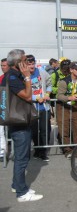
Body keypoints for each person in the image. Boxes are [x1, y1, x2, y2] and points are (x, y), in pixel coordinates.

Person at [3, 49, 43, 202]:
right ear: (18, 62)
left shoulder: (13, 75)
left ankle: (16, 185)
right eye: (26, 60)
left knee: (22, 157)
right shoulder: (13, 77)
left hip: (20, 120)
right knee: (21, 158)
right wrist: (27, 77)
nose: (28, 63)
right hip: (18, 122)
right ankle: (21, 193)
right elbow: (27, 96)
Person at [56, 61, 77, 159]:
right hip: (63, 107)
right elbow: (59, 96)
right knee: (64, 129)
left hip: (75, 107)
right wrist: (69, 98)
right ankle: (67, 150)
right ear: (71, 70)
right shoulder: (63, 81)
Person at [26, 55, 52, 162]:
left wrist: (47, 94)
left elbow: (49, 83)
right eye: (29, 64)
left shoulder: (41, 71)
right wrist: (35, 98)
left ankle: (43, 152)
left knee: (45, 130)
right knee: (34, 131)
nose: (32, 66)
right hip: (31, 108)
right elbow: (22, 93)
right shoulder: (23, 76)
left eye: (33, 63)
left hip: (44, 108)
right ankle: (37, 150)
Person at [0, 58, 9, 162]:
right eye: (1, 66)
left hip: (12, 109)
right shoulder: (1, 78)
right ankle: (2, 153)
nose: (3, 68)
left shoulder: (15, 77)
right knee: (1, 131)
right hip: (2, 109)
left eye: (4, 65)